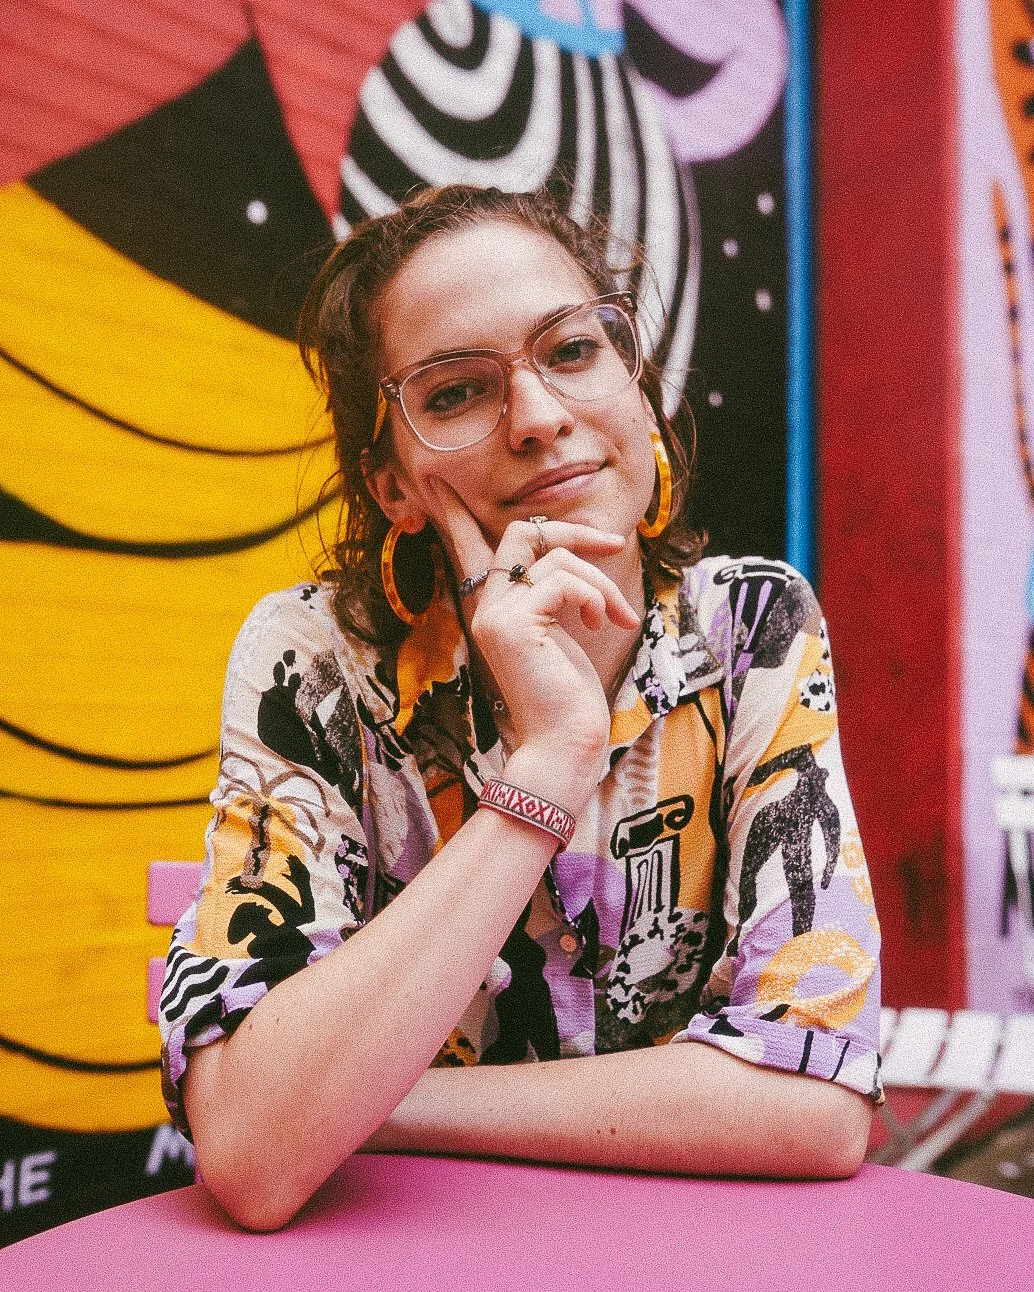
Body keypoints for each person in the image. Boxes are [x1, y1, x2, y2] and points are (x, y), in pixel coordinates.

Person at [159, 185, 881, 1232]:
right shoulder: (313, 666)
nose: (540, 418)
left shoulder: (749, 627)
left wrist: (363, 1101)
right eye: (457, 392)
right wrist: (549, 760)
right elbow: (255, 1159)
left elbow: (814, 1100)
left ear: (638, 391)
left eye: (573, 349)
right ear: (392, 483)